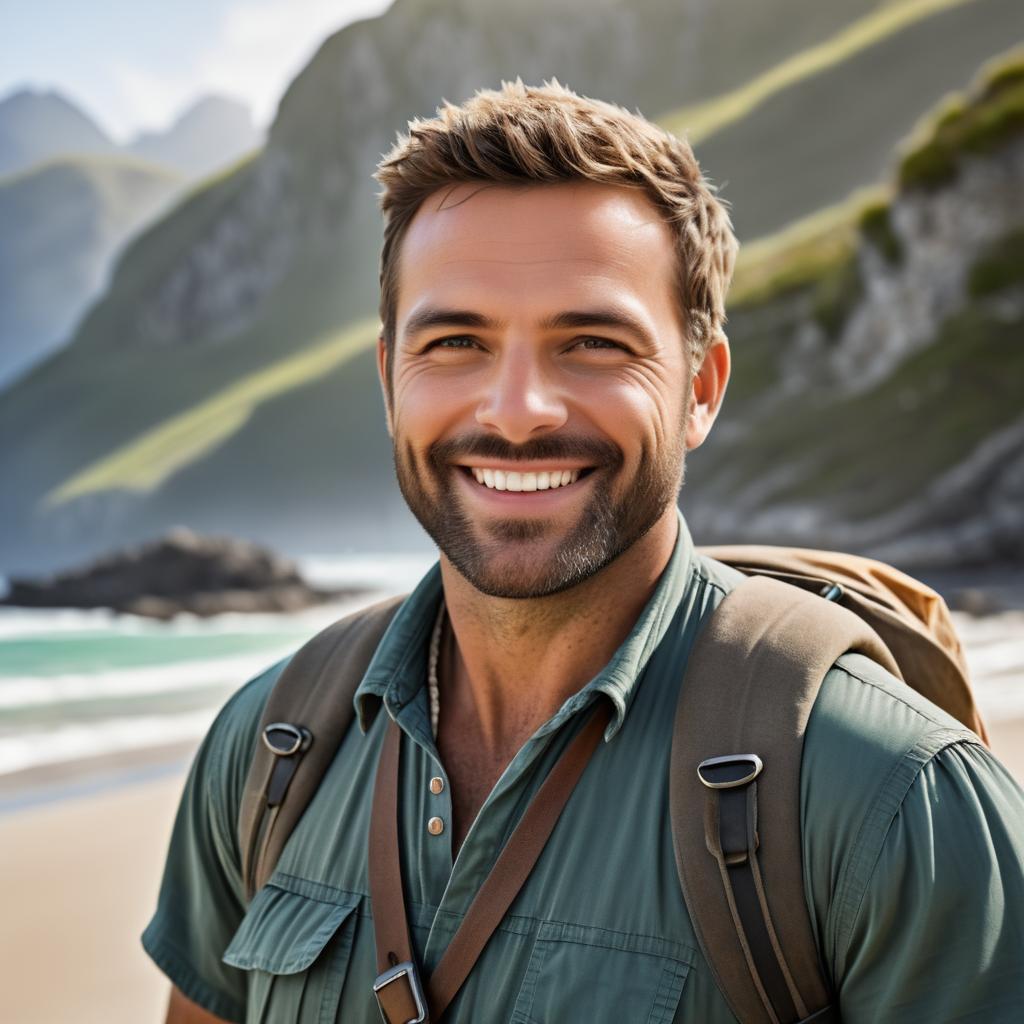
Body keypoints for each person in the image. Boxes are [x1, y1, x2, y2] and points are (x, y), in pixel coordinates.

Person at [142, 79, 1024, 1023]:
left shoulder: (897, 798)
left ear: (701, 387)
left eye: (594, 342)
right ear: (390, 379)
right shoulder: (268, 748)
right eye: (455, 341)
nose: (518, 409)